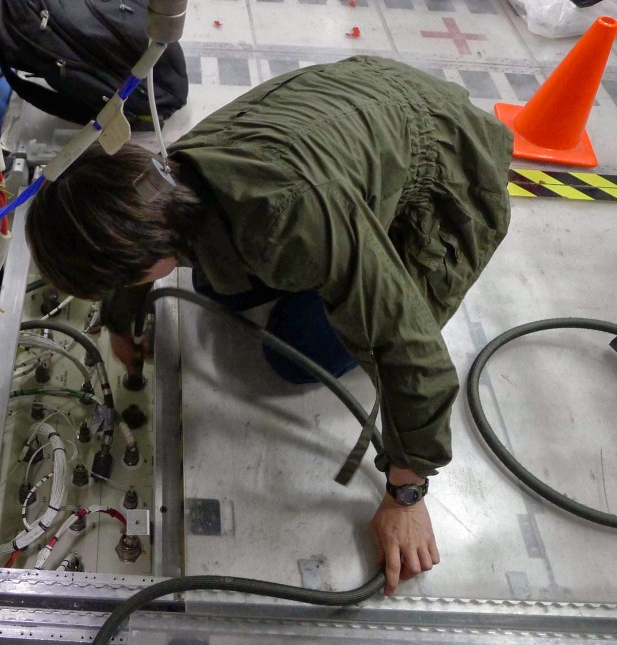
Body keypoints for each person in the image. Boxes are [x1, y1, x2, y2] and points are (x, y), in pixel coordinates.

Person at [25, 56, 513, 596]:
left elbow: (414, 355)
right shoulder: (161, 181)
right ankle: (341, 243)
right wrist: (123, 318)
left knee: (292, 351)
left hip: (451, 168)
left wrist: (407, 494)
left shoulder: (287, 218)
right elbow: (133, 241)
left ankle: (362, 247)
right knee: (216, 284)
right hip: (367, 103)